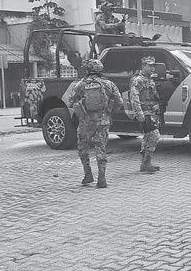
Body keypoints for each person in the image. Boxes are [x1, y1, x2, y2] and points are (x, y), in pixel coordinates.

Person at [68, 59, 123, 188]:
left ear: (87, 70)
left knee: (83, 148)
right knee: (101, 148)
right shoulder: (109, 84)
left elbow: (71, 101)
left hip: (86, 122)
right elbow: (119, 102)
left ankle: (88, 174)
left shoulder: (81, 84)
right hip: (103, 121)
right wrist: (109, 112)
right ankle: (102, 178)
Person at [130, 56, 161, 173]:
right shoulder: (138, 80)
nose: (153, 68)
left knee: (148, 137)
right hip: (145, 113)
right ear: (143, 66)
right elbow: (134, 98)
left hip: (152, 112)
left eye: (154, 66)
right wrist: (139, 113)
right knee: (154, 136)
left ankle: (145, 164)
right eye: (150, 66)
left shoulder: (150, 80)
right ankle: (147, 163)